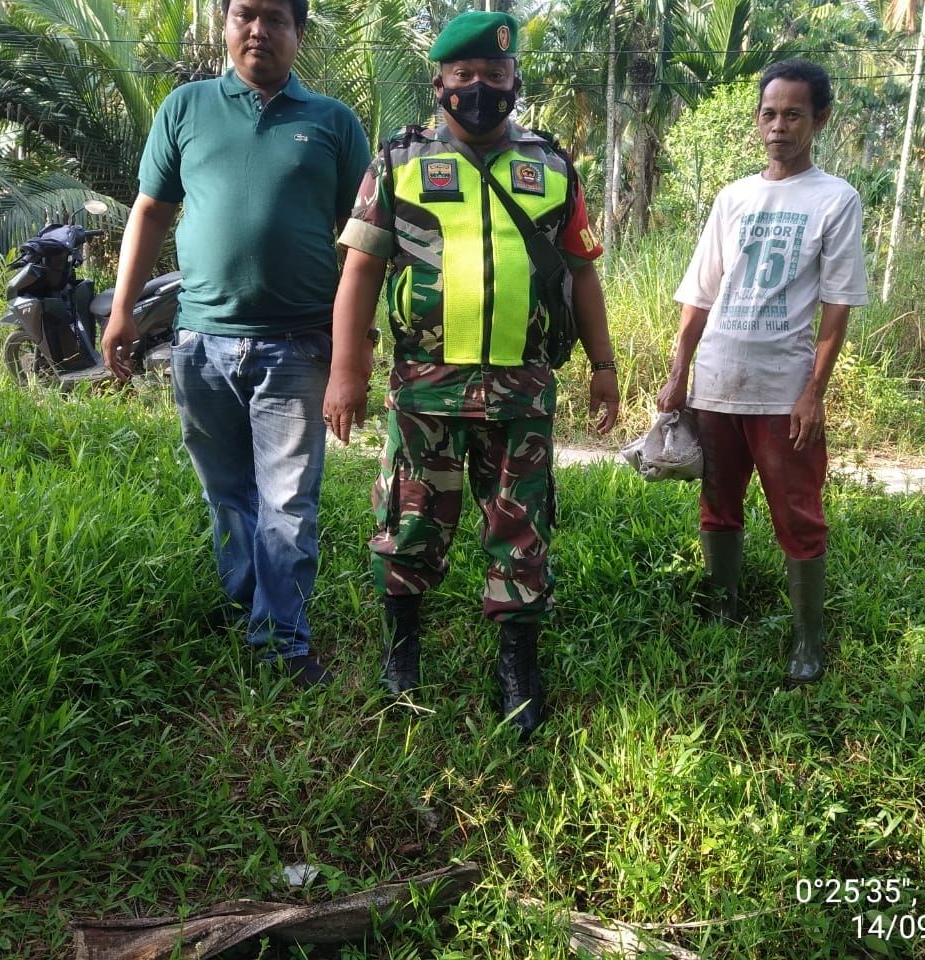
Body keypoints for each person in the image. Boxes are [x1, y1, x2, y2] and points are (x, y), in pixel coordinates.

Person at [323, 10, 619, 738]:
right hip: (424, 386)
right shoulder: (398, 161)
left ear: (516, 81)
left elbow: (581, 273)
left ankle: (518, 670)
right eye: (465, 77)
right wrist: (345, 372)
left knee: (521, 529)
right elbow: (359, 272)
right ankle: (402, 657)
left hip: (522, 389)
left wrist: (605, 366)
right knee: (409, 521)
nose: (480, 89)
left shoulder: (552, 165)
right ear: (440, 83)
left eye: (494, 76)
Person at [100, 0, 372, 688]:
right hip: (200, 343)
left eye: (276, 18)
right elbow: (151, 211)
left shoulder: (334, 123)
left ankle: (282, 641)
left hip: (299, 346)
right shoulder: (185, 109)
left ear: (298, 34)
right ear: (225, 25)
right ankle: (249, 602)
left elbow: (366, 245)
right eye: (245, 14)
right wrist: (123, 310)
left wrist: (356, 348)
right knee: (227, 493)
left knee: (287, 502)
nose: (259, 31)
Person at [658, 58, 869, 685]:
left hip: (783, 390)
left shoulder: (835, 199)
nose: (779, 126)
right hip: (718, 381)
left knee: (797, 512)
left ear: (820, 119)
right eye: (770, 113)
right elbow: (699, 294)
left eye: (794, 115)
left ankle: (808, 639)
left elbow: (838, 306)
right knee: (718, 503)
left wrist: (814, 393)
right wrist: (678, 374)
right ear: (758, 120)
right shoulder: (734, 198)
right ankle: (722, 607)